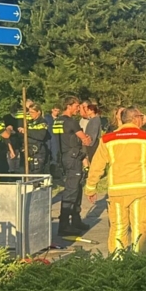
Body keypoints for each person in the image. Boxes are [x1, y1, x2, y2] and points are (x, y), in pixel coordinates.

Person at [86, 106, 146, 254]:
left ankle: (117, 262)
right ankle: (139, 262)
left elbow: (96, 165)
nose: (142, 119)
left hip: (117, 192)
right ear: (135, 119)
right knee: (140, 227)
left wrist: (90, 187)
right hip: (140, 191)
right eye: (140, 116)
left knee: (118, 227)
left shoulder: (108, 139)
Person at [55, 96, 92, 237]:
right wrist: (86, 138)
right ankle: (64, 225)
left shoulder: (57, 121)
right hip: (73, 158)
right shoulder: (71, 122)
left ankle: (75, 221)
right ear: (69, 106)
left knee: (76, 189)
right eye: (77, 106)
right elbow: (85, 139)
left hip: (65, 157)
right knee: (71, 191)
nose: (79, 108)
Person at [21, 103, 51, 175]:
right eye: (29, 112)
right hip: (28, 150)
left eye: (32, 112)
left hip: (38, 151)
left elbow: (41, 136)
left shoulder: (42, 122)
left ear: (39, 112)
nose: (30, 114)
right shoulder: (29, 122)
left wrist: (26, 131)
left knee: (36, 172)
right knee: (27, 171)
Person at [80, 101, 103, 172]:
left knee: (93, 158)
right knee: (90, 158)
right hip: (90, 142)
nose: (87, 111)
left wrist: (90, 142)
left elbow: (94, 133)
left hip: (93, 142)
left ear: (92, 111)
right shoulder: (92, 119)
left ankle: (96, 171)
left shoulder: (96, 120)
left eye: (88, 110)